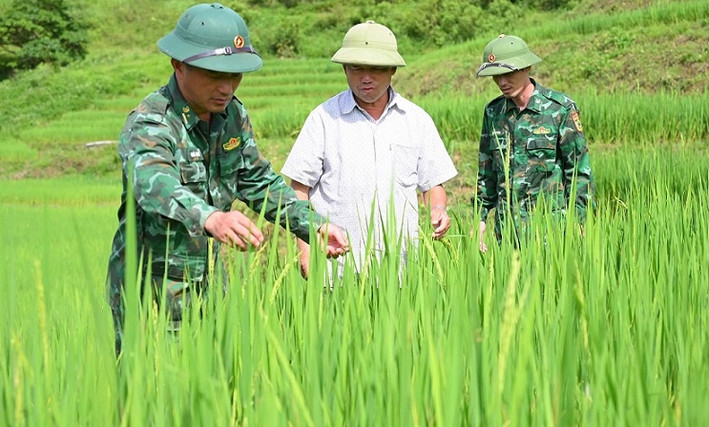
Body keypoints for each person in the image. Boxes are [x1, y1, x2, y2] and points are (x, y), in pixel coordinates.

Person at [105, 3, 348, 355]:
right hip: (151, 286)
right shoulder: (152, 122)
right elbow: (153, 183)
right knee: (151, 395)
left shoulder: (232, 114)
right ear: (179, 65)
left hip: (207, 280)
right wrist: (212, 217)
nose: (227, 87)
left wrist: (311, 224)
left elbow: (256, 179)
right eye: (215, 74)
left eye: (235, 76)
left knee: (210, 387)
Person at [280, 21, 458, 277]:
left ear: (393, 70)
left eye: (376, 69)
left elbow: (432, 184)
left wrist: (438, 209)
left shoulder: (415, 120)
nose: (366, 78)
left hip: (401, 269)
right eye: (357, 68)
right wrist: (306, 251)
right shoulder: (323, 118)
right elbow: (299, 189)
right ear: (344, 69)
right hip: (337, 270)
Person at [474, 34, 595, 252]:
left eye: (508, 73)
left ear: (527, 67)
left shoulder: (559, 109)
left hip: (551, 231)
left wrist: (581, 221)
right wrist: (480, 219)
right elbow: (487, 172)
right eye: (496, 76)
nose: (502, 82)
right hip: (508, 232)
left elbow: (578, 172)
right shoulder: (493, 112)